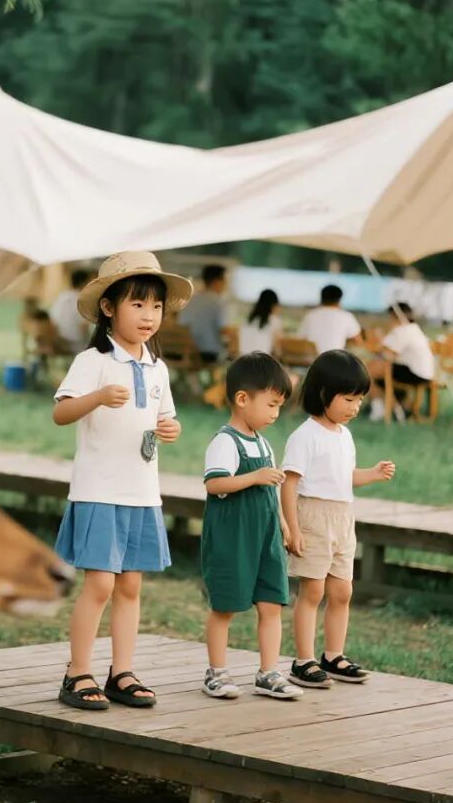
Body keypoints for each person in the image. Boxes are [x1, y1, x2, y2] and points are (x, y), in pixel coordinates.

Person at [52, 251, 193, 711]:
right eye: (137, 305)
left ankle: (122, 671)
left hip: (142, 493)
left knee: (131, 586)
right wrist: (95, 397)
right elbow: (61, 412)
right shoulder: (92, 360)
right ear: (109, 308)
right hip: (99, 489)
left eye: (155, 307)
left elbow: (165, 419)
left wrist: (171, 429)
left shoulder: (158, 368)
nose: (149, 316)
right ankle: (77, 673)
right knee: (100, 586)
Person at [280, 351, 396, 689]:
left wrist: (371, 474)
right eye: (348, 399)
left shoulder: (344, 435)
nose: (355, 407)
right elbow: (289, 484)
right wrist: (292, 527)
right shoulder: (305, 436)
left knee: (342, 591)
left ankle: (334, 655)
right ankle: (303, 661)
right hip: (313, 517)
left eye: (359, 400)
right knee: (312, 591)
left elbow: (344, 477)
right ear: (322, 394)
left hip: (343, 518)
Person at [201, 352, 302, 701]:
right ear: (243, 399)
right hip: (234, 538)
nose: (275, 414)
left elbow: (271, 490)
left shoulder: (263, 443)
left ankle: (269, 672)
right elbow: (215, 485)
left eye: (279, 406)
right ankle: (216, 672)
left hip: (266, 536)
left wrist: (286, 526)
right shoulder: (225, 442)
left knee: (271, 603)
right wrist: (254, 476)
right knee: (225, 605)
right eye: (271, 405)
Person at [366, 303, 436, 421]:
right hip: (425, 373)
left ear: (395, 316)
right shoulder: (414, 329)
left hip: (414, 373)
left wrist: (377, 339)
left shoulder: (402, 330)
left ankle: (380, 408)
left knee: (368, 371)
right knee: (375, 370)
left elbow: (386, 354)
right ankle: (395, 407)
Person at [179, 264, 230, 362]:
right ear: (217, 282)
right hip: (209, 354)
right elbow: (224, 331)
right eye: (225, 281)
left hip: (186, 351)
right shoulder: (218, 302)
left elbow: (181, 324)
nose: (226, 284)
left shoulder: (190, 300)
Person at [297, 285, 363, 356]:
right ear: (339, 300)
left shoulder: (310, 315)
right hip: (335, 360)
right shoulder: (347, 316)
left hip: (312, 361)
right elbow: (358, 341)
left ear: (321, 298)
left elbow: (300, 339)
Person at [50, 268, 92, 352]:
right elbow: (83, 327)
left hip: (60, 341)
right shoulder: (81, 299)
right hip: (76, 345)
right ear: (83, 283)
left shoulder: (61, 297)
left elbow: (53, 320)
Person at [240, 289, 284, 356]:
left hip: (243, 359)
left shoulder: (248, 320)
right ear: (274, 305)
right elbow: (278, 349)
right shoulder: (274, 320)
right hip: (261, 362)